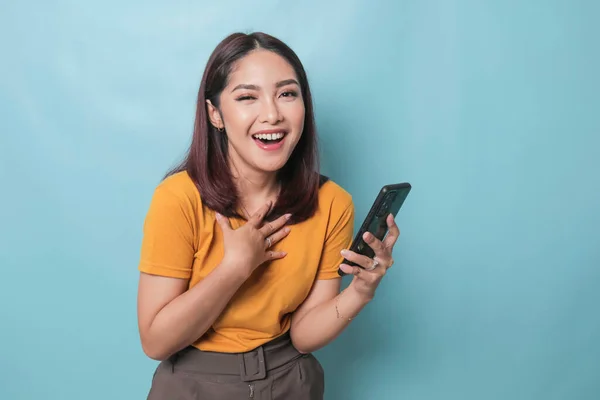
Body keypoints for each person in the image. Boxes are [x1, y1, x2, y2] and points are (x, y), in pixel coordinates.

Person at [136, 31, 400, 400]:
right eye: (247, 97)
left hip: (292, 379)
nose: (272, 114)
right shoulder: (179, 198)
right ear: (215, 114)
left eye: (287, 94)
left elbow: (304, 334)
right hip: (193, 384)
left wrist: (360, 291)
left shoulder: (332, 203)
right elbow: (156, 341)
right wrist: (234, 268)